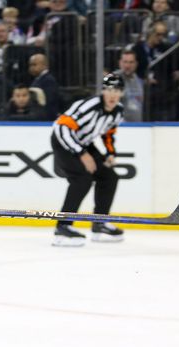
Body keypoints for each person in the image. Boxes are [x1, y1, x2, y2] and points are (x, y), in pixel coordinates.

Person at [51, 74, 125, 247]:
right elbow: (61, 127)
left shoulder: (118, 111)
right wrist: (82, 154)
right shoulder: (89, 106)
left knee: (109, 177)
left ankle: (99, 223)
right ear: (103, 91)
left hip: (84, 143)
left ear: (122, 93)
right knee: (82, 179)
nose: (113, 94)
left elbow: (108, 133)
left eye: (117, 90)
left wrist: (110, 153)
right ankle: (63, 227)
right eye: (109, 90)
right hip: (63, 141)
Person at [114, 49, 144, 122]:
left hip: (136, 126)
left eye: (131, 62)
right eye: (125, 62)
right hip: (120, 128)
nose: (127, 65)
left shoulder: (137, 79)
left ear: (136, 64)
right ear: (120, 63)